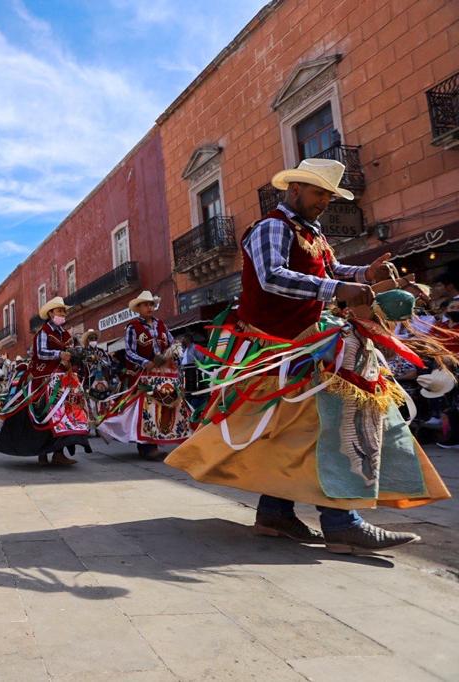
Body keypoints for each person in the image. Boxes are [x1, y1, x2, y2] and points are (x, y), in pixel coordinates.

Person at [165, 159, 451, 554]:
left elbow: (334, 268)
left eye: (330, 197)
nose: (325, 203)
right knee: (335, 425)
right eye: (319, 193)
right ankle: (341, 522)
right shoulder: (271, 227)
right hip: (281, 347)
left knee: (296, 432)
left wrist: (367, 274)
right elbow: (273, 276)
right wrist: (336, 290)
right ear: (295, 188)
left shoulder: (311, 232)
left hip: (305, 346)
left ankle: (275, 513)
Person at [0, 297, 91, 466]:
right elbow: (40, 353)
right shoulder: (43, 332)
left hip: (63, 379)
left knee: (63, 415)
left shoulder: (66, 334)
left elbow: (71, 351)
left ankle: (58, 453)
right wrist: (59, 354)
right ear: (51, 313)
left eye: (63, 311)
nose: (62, 313)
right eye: (59, 310)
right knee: (43, 413)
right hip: (43, 379)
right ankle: (42, 453)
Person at [98, 292, 193, 460]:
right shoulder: (132, 327)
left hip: (165, 376)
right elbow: (129, 352)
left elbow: (173, 345)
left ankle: (151, 443)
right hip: (145, 376)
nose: (150, 307)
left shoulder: (162, 325)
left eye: (151, 304)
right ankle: (148, 446)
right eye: (146, 304)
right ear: (138, 308)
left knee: (164, 406)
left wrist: (175, 354)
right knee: (147, 409)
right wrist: (145, 362)